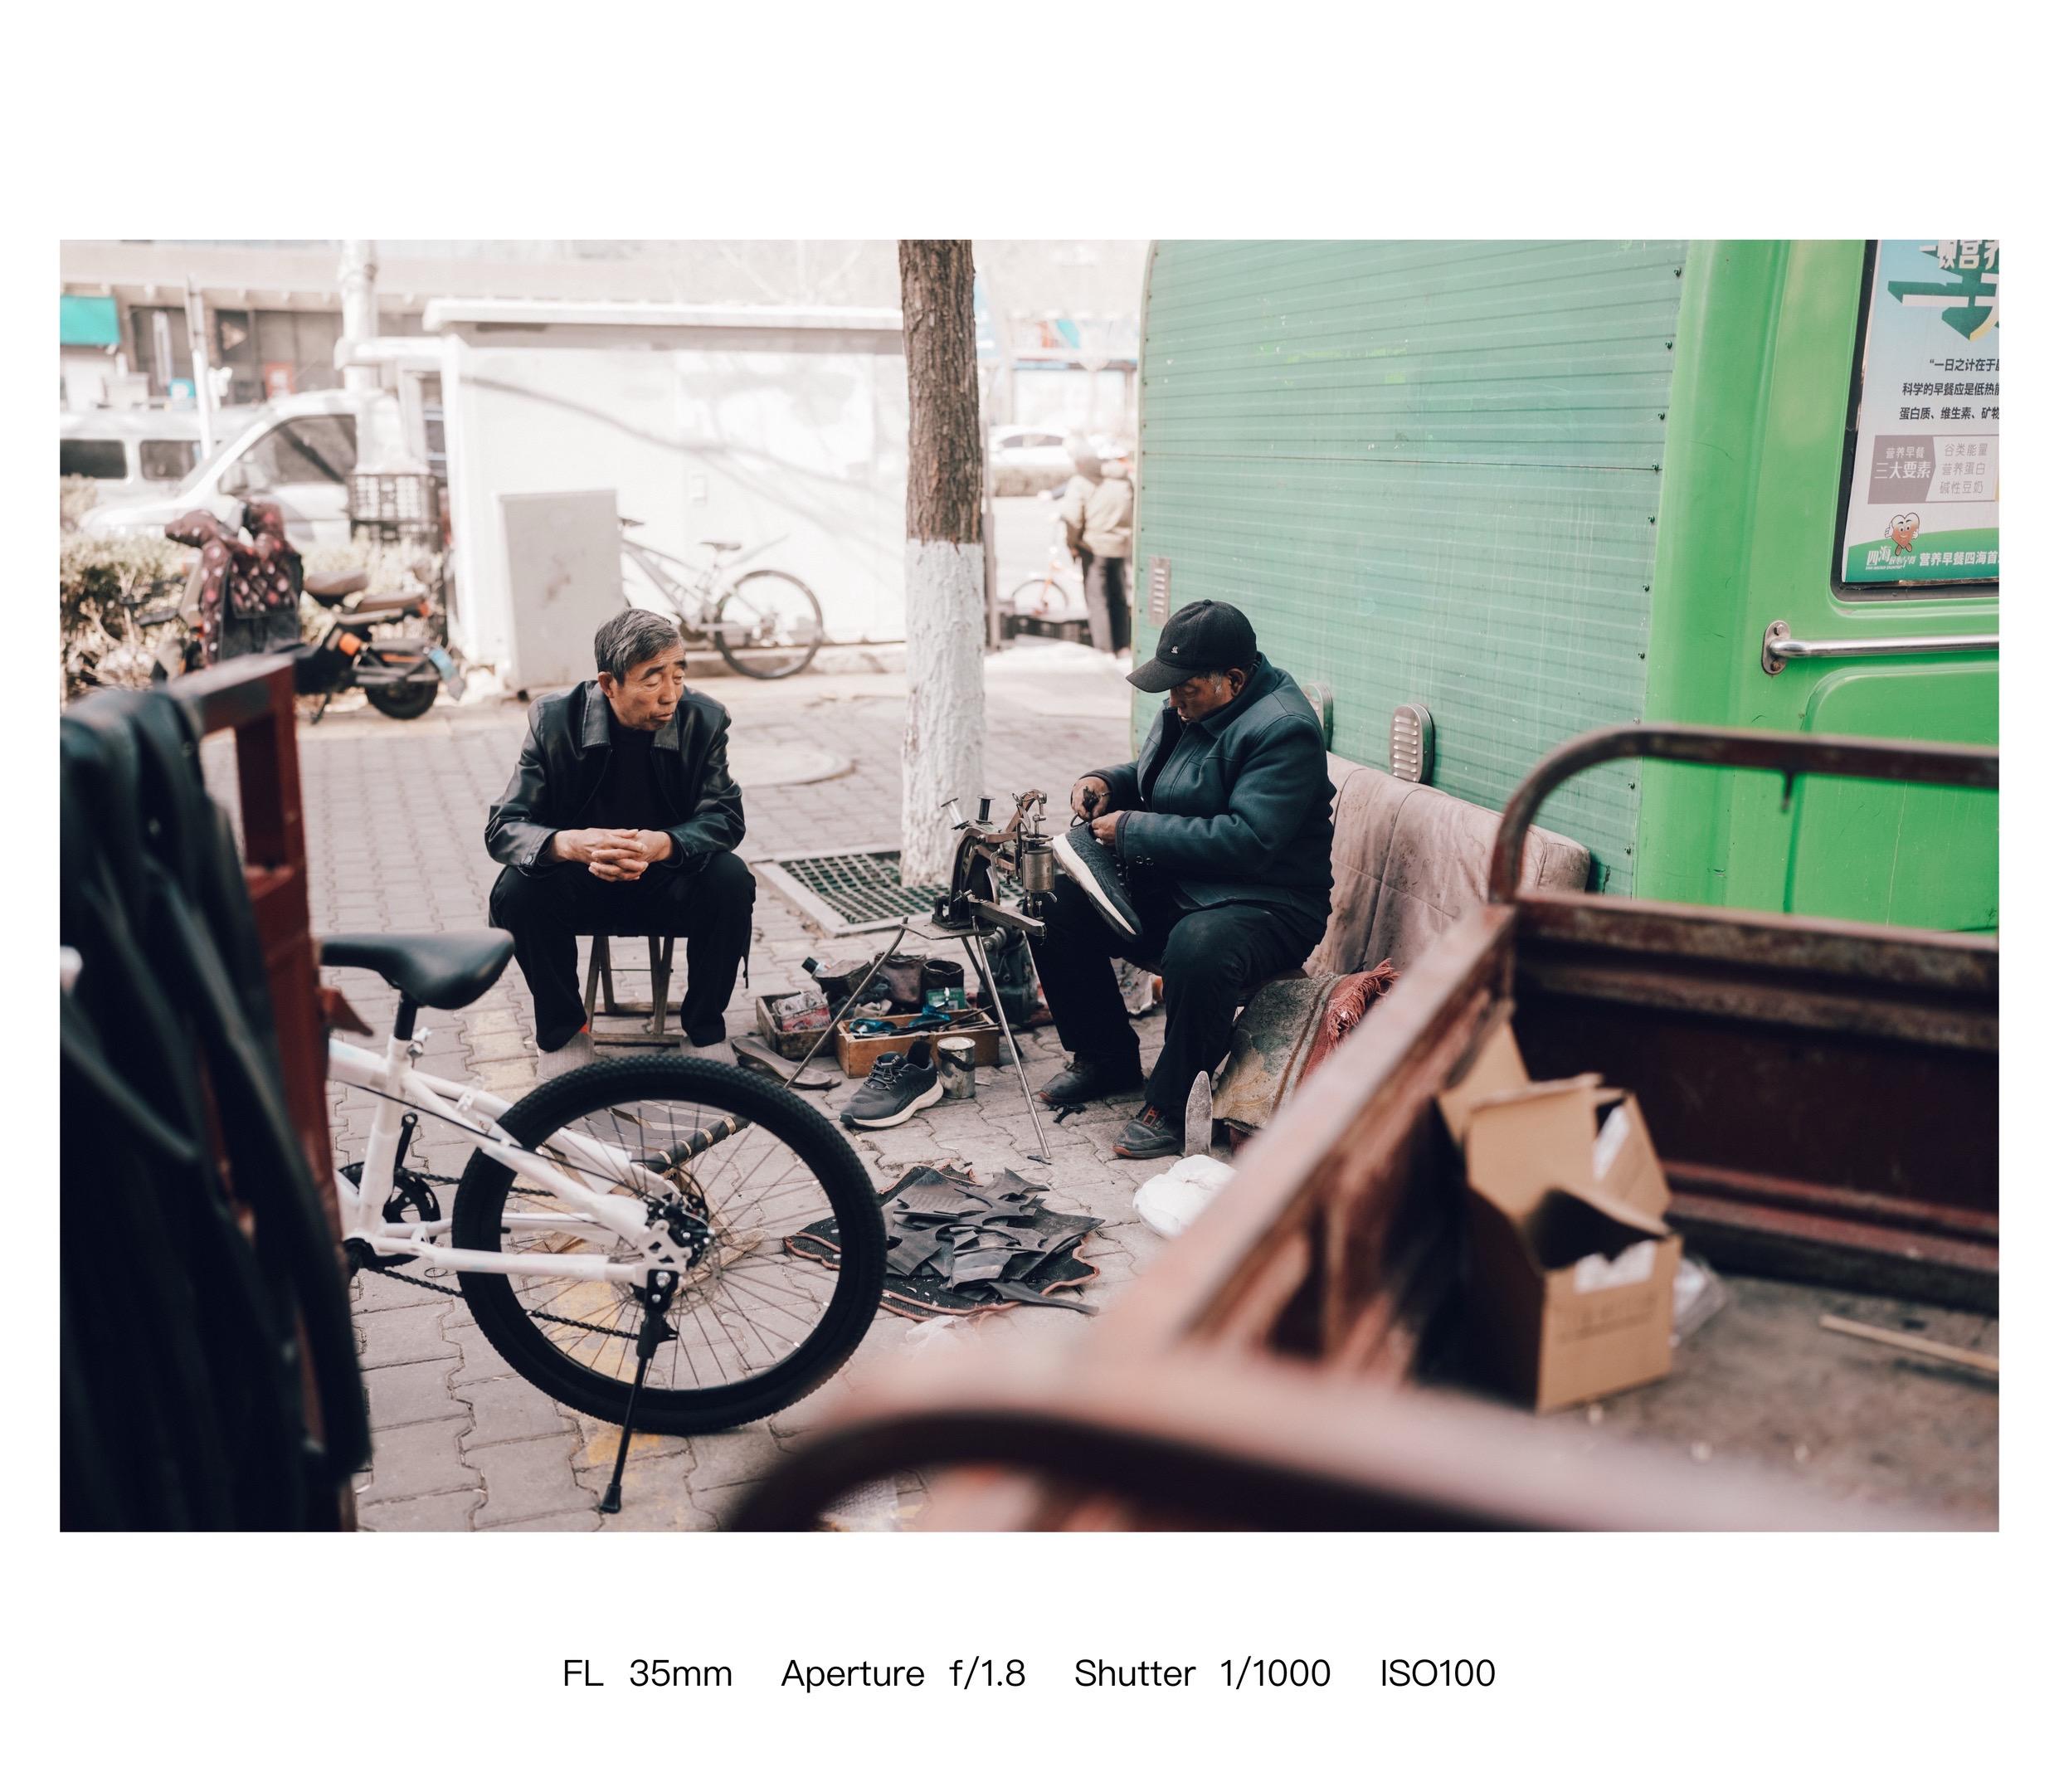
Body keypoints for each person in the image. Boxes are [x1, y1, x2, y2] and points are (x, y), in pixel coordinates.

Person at [1031, 600, 1334, 1159]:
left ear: (1233, 680)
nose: (1173, 701)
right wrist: (1107, 783)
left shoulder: (1283, 730)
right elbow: (1166, 779)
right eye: (1170, 688)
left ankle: (1173, 1105)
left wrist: (1132, 830)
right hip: (1185, 882)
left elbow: (1249, 840)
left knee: (1199, 947)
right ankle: (1105, 1058)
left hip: (1269, 902)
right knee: (1053, 903)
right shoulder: (1193, 705)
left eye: (1185, 689)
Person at [485, 609, 754, 1077]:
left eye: (678, 675)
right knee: (517, 889)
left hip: (668, 880)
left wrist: (663, 844)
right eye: (652, 679)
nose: (670, 694)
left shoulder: (704, 718)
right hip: (580, 884)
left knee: (731, 878)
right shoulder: (553, 719)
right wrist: (570, 844)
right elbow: (504, 826)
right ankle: (564, 1034)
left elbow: (725, 817)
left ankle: (705, 1031)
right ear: (609, 684)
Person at [1057, 438, 1133, 655]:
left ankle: (1105, 649)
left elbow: (1073, 518)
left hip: (1094, 547)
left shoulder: (1081, 481)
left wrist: (1072, 544)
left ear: (1080, 462)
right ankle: (1123, 646)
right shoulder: (1123, 480)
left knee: (1097, 599)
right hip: (1121, 546)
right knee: (1119, 597)